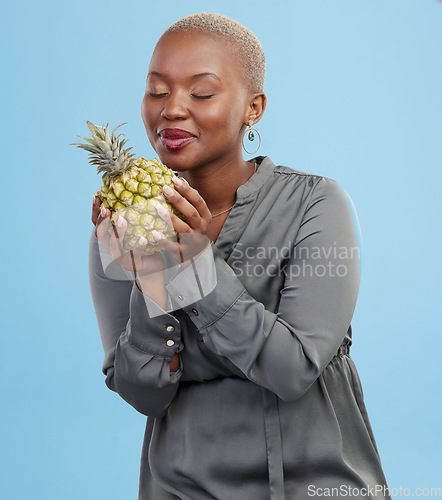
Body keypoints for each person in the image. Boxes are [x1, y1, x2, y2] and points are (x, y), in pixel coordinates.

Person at [89, 12, 391, 500]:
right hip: (180, 489)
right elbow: (145, 393)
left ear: (254, 108)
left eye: (201, 93)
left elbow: (291, 369)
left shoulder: (316, 204)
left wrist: (193, 265)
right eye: (158, 91)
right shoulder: (122, 228)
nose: (172, 110)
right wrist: (151, 281)